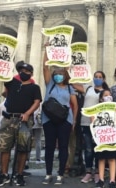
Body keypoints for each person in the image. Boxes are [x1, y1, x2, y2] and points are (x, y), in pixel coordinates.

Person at [0, 61, 42, 187]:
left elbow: (36, 102)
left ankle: (19, 175)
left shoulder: (35, 87)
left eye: (26, 71)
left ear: (31, 73)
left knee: (23, 149)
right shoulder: (12, 83)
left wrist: (27, 113)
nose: (23, 73)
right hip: (8, 119)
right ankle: (3, 175)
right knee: (4, 148)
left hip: (24, 120)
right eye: (21, 71)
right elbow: (1, 69)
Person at [41, 50, 78, 185]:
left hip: (65, 121)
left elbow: (75, 105)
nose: (58, 75)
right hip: (48, 119)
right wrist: (47, 50)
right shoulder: (50, 84)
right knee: (49, 147)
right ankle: (48, 173)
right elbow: (45, 67)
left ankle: (61, 173)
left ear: (65, 75)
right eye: (56, 73)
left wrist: (73, 121)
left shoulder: (70, 88)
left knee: (63, 147)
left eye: (60, 73)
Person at [73, 71, 110, 184]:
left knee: (98, 149)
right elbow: (73, 84)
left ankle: (98, 172)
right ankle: (89, 172)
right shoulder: (88, 88)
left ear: (103, 79)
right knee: (88, 149)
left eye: (100, 77)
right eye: (96, 77)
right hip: (86, 122)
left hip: (99, 124)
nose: (97, 79)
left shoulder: (106, 92)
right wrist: (71, 69)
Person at [95, 89, 116, 188]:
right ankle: (101, 180)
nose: (108, 96)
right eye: (106, 95)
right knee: (101, 158)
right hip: (101, 137)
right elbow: (94, 123)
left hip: (112, 137)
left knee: (111, 158)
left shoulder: (115, 108)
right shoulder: (97, 109)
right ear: (101, 98)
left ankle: (112, 180)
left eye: (110, 95)